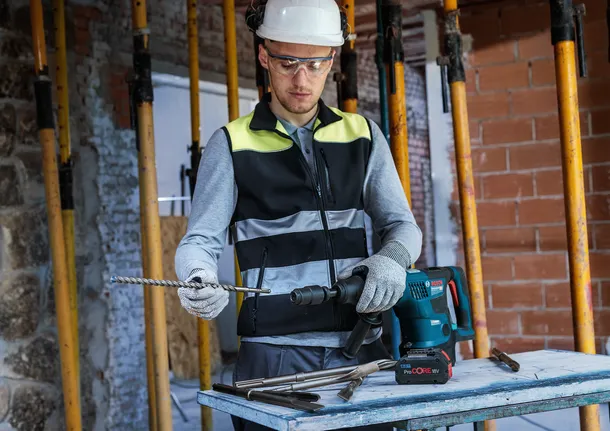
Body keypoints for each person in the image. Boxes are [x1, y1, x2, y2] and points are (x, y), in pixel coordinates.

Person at [175, 0, 422, 429]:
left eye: (314, 63)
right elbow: (200, 239)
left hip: (359, 344)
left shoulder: (363, 136)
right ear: (264, 56)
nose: (301, 79)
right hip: (272, 356)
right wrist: (196, 275)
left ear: (331, 60)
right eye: (288, 62)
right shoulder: (231, 144)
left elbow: (401, 225)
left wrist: (393, 259)